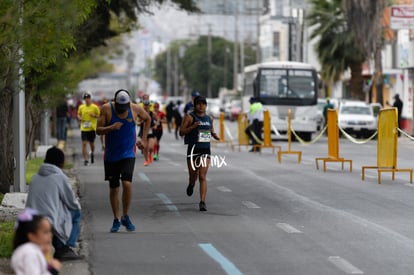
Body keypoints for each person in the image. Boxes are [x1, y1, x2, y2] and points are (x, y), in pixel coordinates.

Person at [96, 89, 150, 232]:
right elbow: (98, 130)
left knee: (127, 183)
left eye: (124, 107)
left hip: (128, 153)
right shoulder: (106, 109)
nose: (122, 110)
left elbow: (147, 118)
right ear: (115, 102)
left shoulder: (135, 108)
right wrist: (111, 127)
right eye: (120, 108)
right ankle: (116, 218)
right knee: (114, 187)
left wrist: (143, 139)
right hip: (111, 155)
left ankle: (125, 215)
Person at [25, 147, 83, 261]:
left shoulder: (35, 177)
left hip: (29, 219)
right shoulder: (60, 178)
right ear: (61, 163)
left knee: (57, 209)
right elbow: (71, 202)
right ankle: (64, 247)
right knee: (75, 211)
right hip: (48, 222)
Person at [179, 96, 220, 211]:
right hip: (193, 150)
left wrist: (214, 135)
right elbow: (181, 132)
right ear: (195, 105)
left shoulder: (209, 118)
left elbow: (210, 129)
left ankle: (202, 202)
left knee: (202, 176)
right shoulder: (190, 117)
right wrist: (192, 127)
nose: (201, 106)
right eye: (199, 104)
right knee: (193, 176)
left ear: (206, 105)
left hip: (205, 149)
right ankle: (191, 184)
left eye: (203, 104)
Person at [11, 208, 62, 275]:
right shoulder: (30, 254)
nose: (50, 235)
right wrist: (53, 270)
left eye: (50, 231)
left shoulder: (28, 251)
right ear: (32, 236)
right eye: (45, 232)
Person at [77, 92, 100, 166]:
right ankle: (86, 159)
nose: (87, 100)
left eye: (88, 98)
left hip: (92, 128)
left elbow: (99, 116)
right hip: (84, 128)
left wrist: (94, 115)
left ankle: (92, 152)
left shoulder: (95, 107)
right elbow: (78, 114)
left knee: (92, 144)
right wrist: (79, 117)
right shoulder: (81, 107)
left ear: (90, 99)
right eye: (85, 99)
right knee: (84, 144)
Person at [139, 100, 157, 166]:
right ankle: (146, 160)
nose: (146, 107)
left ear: (149, 106)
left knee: (151, 147)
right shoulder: (141, 113)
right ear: (143, 106)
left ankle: (150, 155)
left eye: (147, 106)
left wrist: (155, 125)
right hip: (143, 132)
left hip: (151, 132)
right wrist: (140, 122)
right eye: (145, 105)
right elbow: (137, 122)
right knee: (145, 147)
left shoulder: (152, 113)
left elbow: (157, 120)